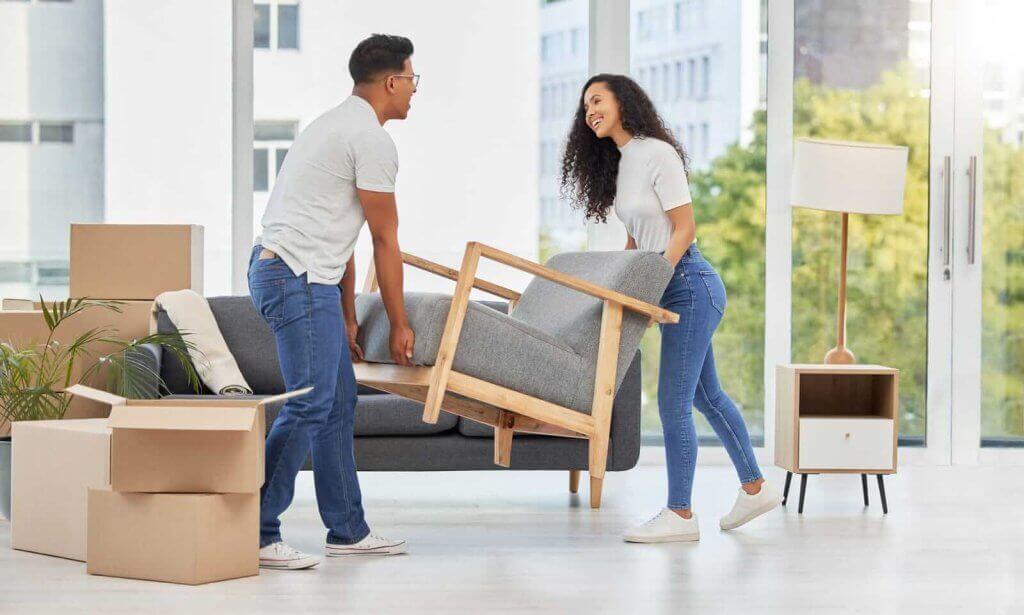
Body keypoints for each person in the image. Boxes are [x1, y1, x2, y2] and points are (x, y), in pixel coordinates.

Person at [560, 74, 781, 543]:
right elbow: (637, 237)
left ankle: (680, 515)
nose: (589, 111)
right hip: (667, 285)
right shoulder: (623, 163)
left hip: (690, 284)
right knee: (705, 396)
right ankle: (755, 487)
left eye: (597, 100)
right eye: (585, 106)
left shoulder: (657, 152)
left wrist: (656, 279)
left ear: (624, 102)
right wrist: (622, 280)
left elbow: (683, 228)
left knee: (673, 402)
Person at [249, 33, 419, 569]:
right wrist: (399, 323)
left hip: (306, 277)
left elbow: (336, 232)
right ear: (392, 82)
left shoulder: (330, 125)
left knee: (337, 402)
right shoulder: (369, 139)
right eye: (413, 80)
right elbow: (384, 240)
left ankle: (347, 529)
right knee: (310, 402)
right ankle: (253, 530)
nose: (415, 91)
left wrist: (347, 314)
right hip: (292, 277)